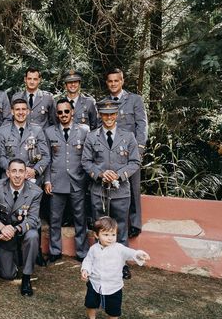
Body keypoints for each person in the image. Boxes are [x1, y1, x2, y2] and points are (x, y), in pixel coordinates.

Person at [82, 99, 141, 279]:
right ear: (100, 115)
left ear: (117, 115)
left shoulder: (128, 136)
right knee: (100, 227)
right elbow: (86, 161)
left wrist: (119, 175)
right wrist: (100, 174)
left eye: (112, 114)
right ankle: (97, 263)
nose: (108, 117)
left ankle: (121, 265)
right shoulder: (92, 136)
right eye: (105, 114)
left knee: (120, 229)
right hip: (99, 191)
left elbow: (135, 162)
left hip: (120, 191)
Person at [80, 216, 150, 319]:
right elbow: (88, 261)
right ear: (96, 235)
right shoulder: (93, 249)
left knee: (113, 309)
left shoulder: (119, 248)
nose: (110, 238)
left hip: (113, 286)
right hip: (95, 283)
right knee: (90, 303)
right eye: (106, 234)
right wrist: (85, 270)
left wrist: (139, 254)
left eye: (113, 234)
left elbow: (131, 253)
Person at [0, 159, 43, 296]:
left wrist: (15, 229)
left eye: (21, 171)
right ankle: (17, 257)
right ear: (7, 173)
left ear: (26, 174)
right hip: (4, 234)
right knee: (7, 275)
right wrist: (2, 227)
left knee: (33, 235)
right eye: (14, 171)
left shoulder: (36, 192)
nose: (17, 175)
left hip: (22, 231)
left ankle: (26, 277)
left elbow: (33, 219)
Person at [103, 68, 148, 239]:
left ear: (122, 81)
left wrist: (140, 149)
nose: (113, 84)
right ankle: (112, 222)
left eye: (116, 80)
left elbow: (141, 125)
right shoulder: (104, 102)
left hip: (130, 153)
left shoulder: (134, 100)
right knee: (112, 187)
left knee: (133, 188)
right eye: (110, 81)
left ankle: (135, 223)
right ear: (107, 83)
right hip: (111, 153)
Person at [43, 98, 90, 262]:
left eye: (66, 111)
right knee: (55, 219)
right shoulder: (49, 132)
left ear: (72, 112)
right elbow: (46, 159)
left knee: (80, 218)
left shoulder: (84, 131)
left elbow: (88, 157)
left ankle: (82, 252)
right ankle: (55, 251)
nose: (63, 115)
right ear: (56, 114)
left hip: (78, 181)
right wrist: (47, 180)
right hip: (56, 181)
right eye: (60, 112)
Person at [0, 98, 49, 186]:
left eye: (23, 109)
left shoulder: (37, 130)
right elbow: (0, 156)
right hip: (9, 179)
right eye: (17, 109)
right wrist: (13, 170)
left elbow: (46, 156)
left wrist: (35, 171)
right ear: (12, 112)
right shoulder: (3, 131)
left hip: (32, 179)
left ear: (28, 111)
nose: (21, 112)